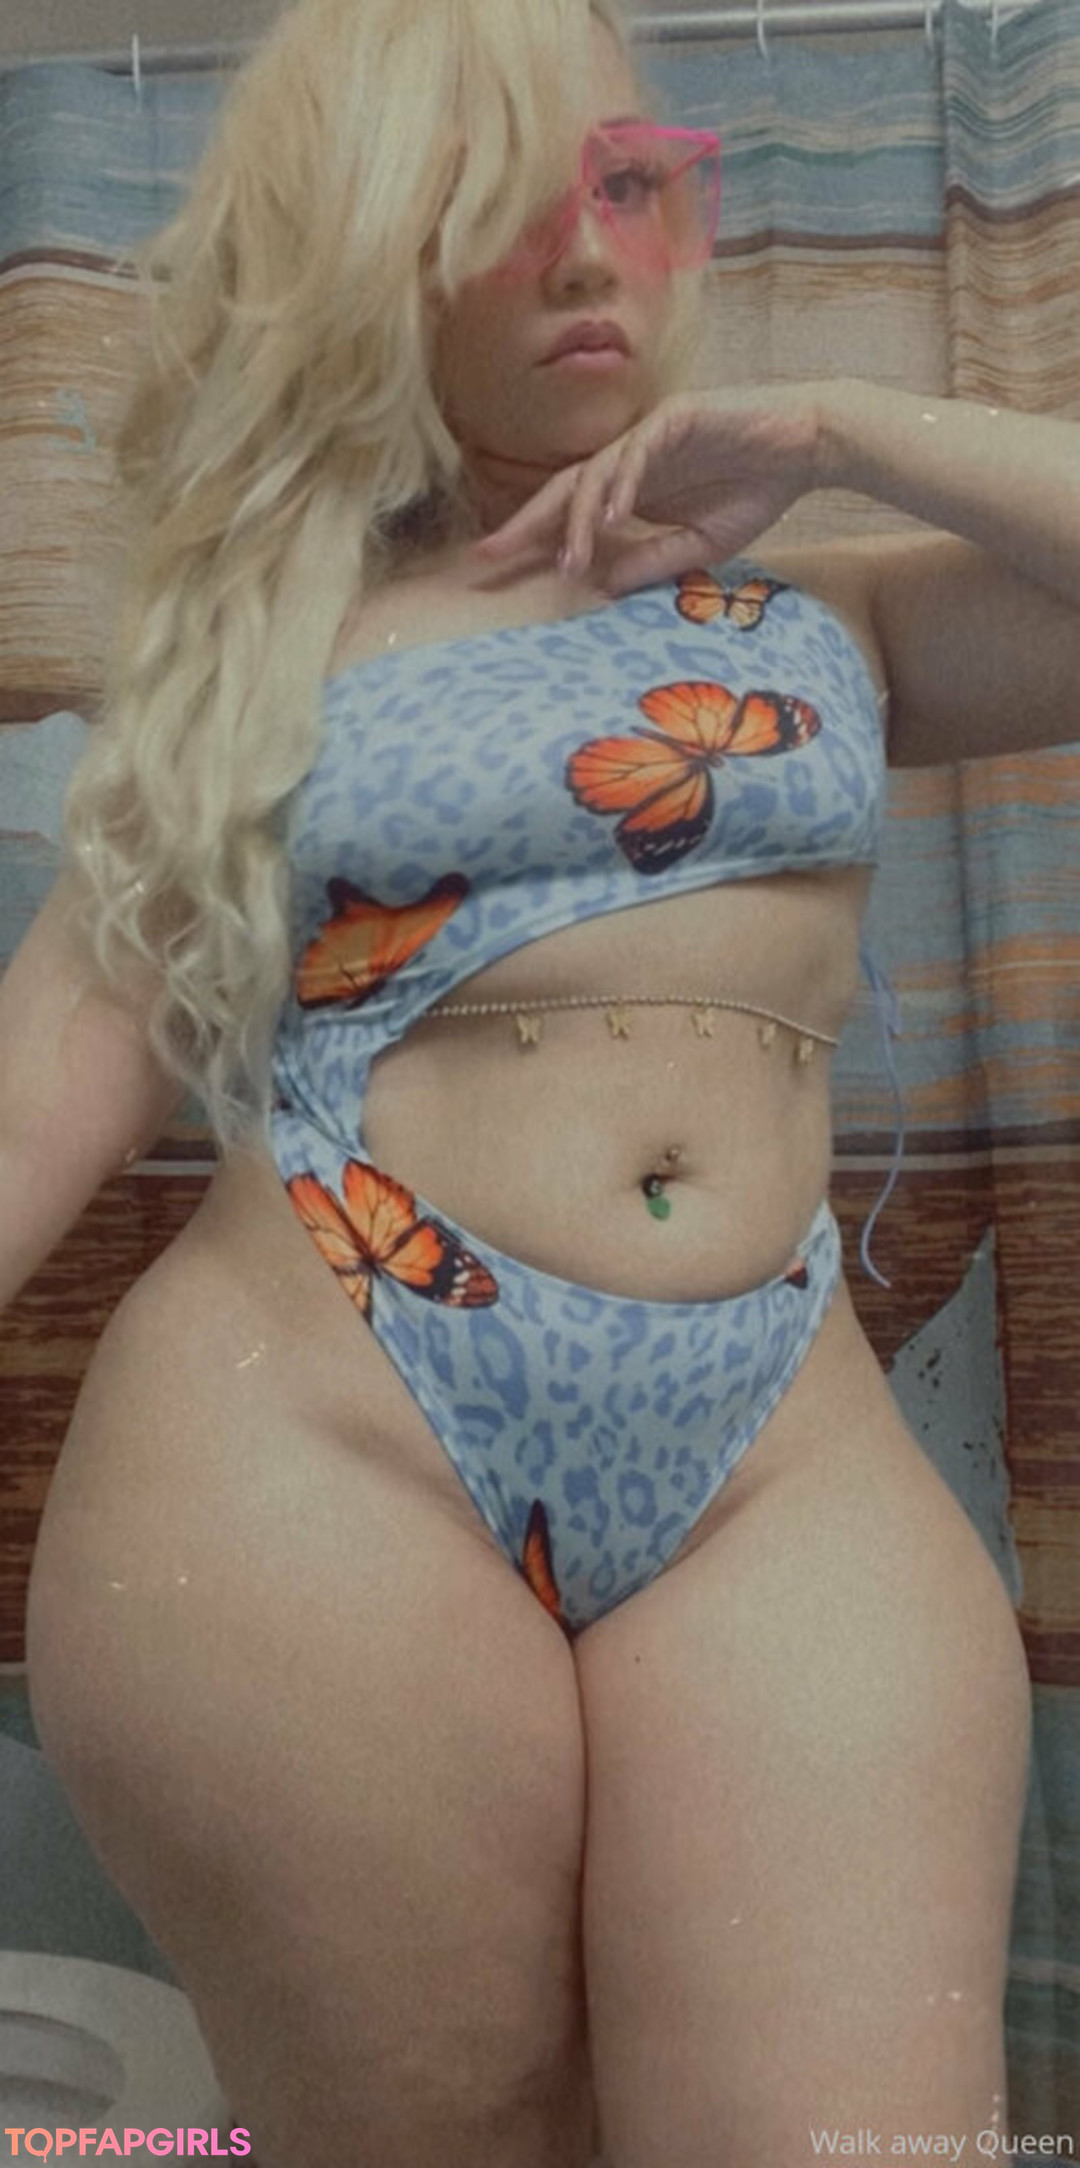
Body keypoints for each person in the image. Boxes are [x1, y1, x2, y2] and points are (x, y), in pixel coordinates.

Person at [12, 0, 1080, 2158]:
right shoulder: (251, 661)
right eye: (499, 202)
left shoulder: (822, 616)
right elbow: (45, 1077)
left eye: (633, 184)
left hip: (771, 1450)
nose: (589, 251)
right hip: (318, 1436)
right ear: (366, 255)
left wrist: (841, 422)